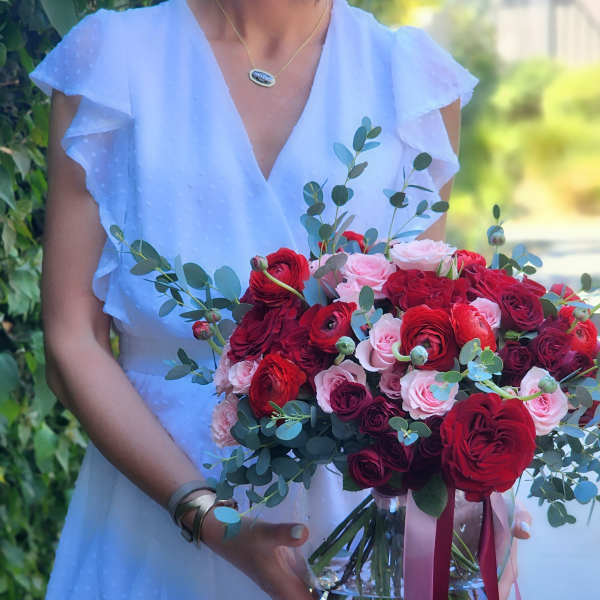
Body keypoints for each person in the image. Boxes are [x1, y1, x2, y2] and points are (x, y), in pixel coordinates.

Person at [29, 0, 531, 598]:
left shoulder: (412, 79)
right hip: (150, 506)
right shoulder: (111, 61)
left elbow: (414, 339)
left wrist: (465, 499)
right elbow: (71, 338)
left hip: (351, 524)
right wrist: (205, 515)